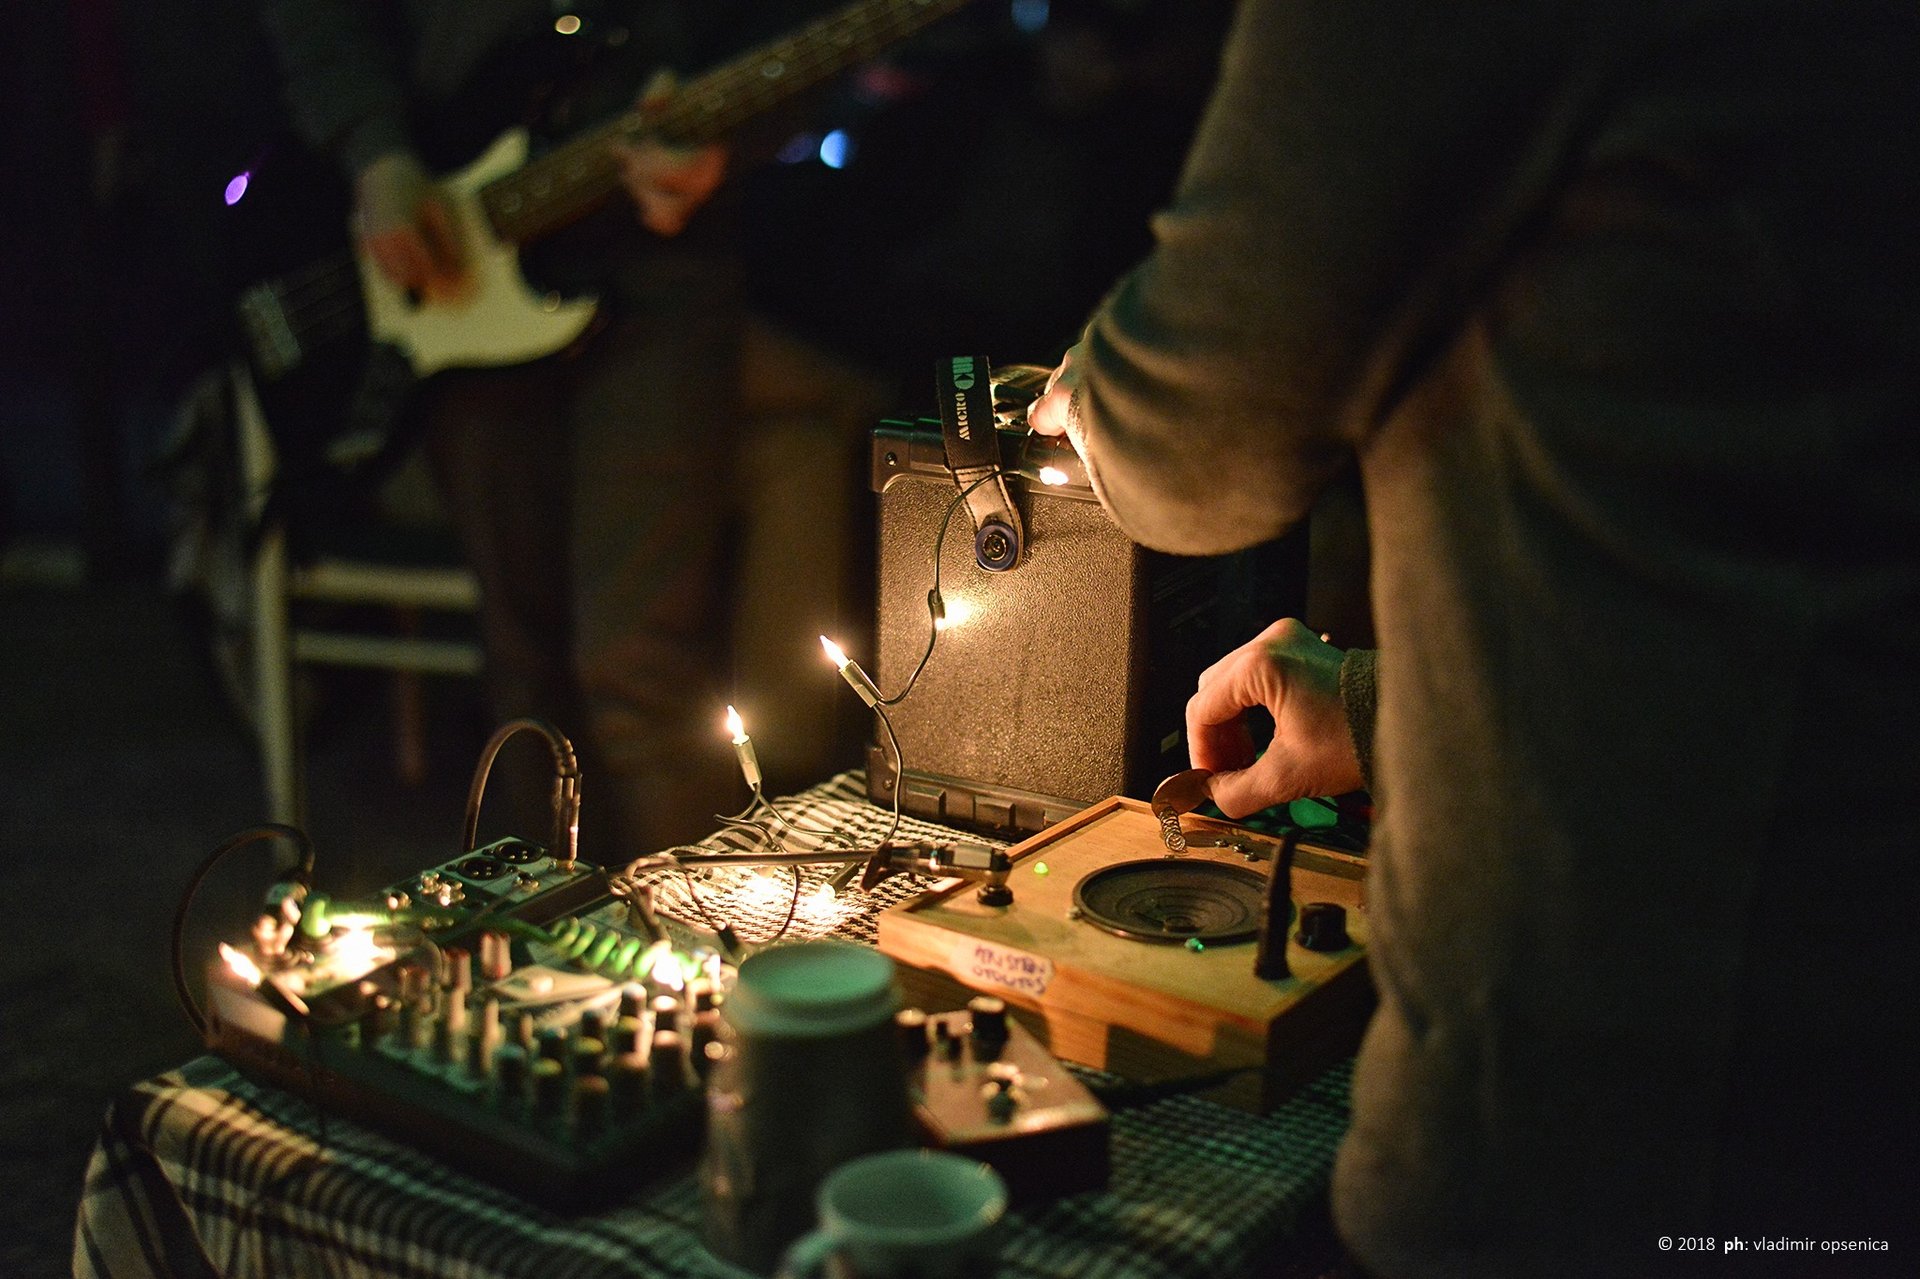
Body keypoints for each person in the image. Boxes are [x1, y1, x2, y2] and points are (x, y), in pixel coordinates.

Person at [1029, 0, 1919, 1273]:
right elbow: (1751, 524)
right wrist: (1389, 710)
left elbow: (1195, 438)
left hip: (1624, 1105)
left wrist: (1095, 388)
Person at [256, 0, 799, 854]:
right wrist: (376, 149)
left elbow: (804, 32)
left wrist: (737, 133)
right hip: (458, 237)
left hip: (663, 266)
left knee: (640, 660)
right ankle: (552, 927)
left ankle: (689, 931)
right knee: (524, 663)